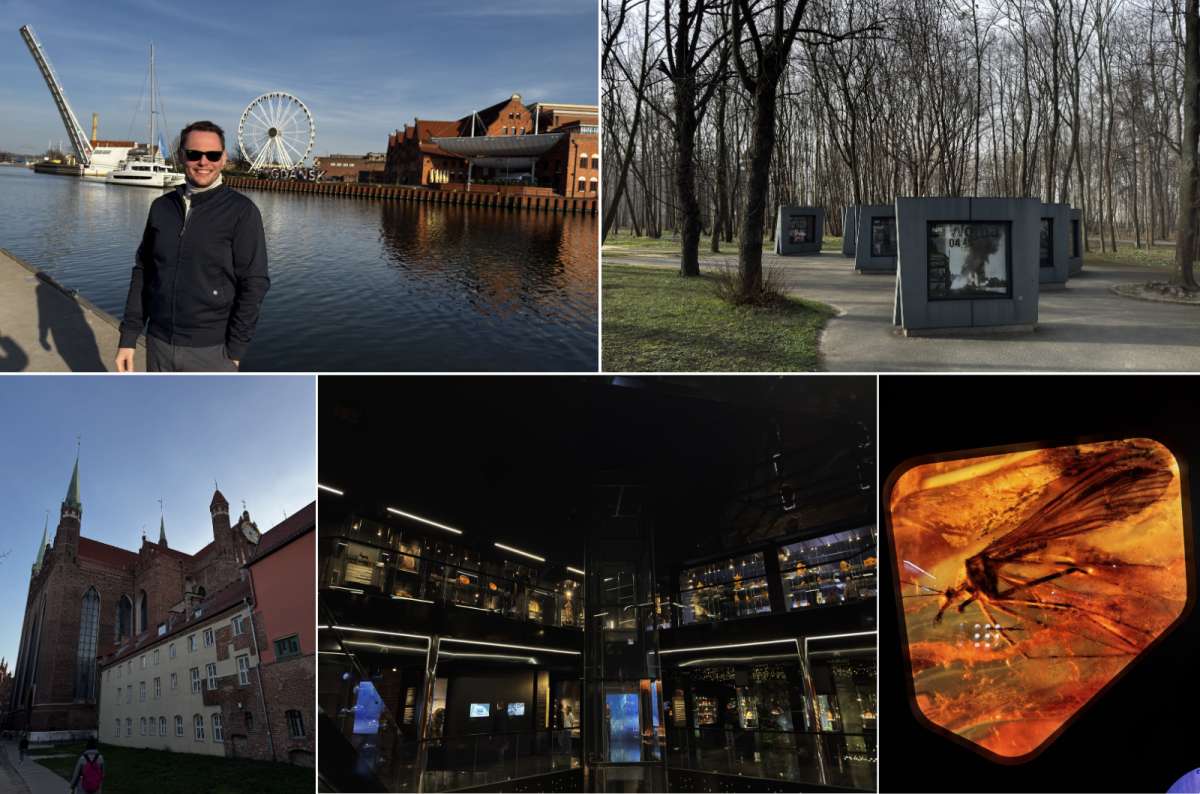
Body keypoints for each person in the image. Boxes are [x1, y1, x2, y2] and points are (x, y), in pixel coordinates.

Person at [116, 120, 269, 372]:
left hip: (212, 349)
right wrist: (129, 336)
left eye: (212, 155)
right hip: (158, 342)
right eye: (194, 154)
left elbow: (254, 283)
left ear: (223, 159)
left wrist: (235, 350)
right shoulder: (161, 207)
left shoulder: (242, 212)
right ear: (181, 156)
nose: (203, 161)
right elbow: (144, 271)